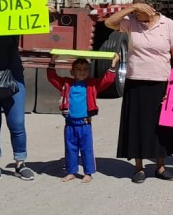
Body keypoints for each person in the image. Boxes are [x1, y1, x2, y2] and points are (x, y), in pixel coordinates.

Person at [105, 0, 173, 184]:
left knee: (160, 127)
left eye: (140, 8)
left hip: (160, 82)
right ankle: (139, 168)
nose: (137, 12)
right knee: (137, 126)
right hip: (136, 81)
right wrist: (131, 8)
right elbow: (109, 23)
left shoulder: (168, 24)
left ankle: (160, 166)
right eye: (135, 7)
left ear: (151, 7)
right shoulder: (131, 22)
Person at [46, 54, 120, 183]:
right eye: (78, 69)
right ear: (72, 71)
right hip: (70, 124)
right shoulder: (66, 84)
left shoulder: (92, 85)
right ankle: (71, 171)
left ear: (89, 72)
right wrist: (52, 61)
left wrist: (113, 65)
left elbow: (106, 80)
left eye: (85, 69)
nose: (82, 72)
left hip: (85, 124)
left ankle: (88, 173)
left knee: (86, 149)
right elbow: (52, 78)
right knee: (70, 149)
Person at [0, 35, 34, 181]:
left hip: (13, 78)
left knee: (17, 124)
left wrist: (42, 11)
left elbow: (29, 16)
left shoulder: (12, 20)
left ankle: (20, 164)